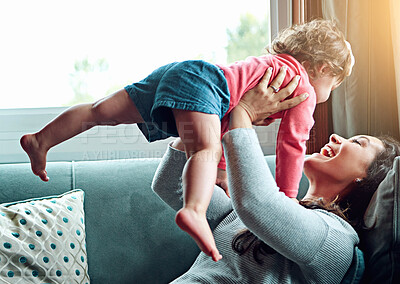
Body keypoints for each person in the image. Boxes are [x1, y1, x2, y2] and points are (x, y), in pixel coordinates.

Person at [20, 19, 354, 261]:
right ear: (322, 68)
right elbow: (292, 144)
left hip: (186, 71)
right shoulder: (302, 89)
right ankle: (194, 210)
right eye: (334, 85)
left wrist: (222, 171)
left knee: (99, 111)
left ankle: (41, 140)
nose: (328, 93)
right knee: (204, 149)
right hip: (207, 89)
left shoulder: (270, 66)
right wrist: (284, 197)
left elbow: (221, 120)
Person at [152, 69, 400, 283]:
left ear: (365, 177)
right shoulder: (252, 212)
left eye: (357, 142)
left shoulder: (336, 241)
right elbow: (169, 184)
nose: (336, 137)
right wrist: (214, 119)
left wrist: (245, 112)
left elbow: (256, 203)